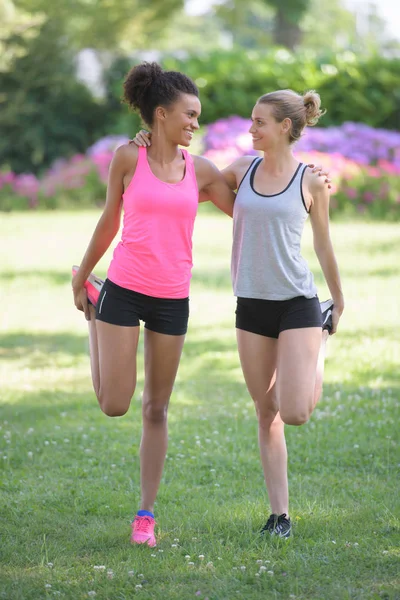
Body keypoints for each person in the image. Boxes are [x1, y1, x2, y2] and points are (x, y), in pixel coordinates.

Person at [133, 87, 343, 539]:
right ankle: (279, 515)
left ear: (285, 127)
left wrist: (338, 299)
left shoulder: (310, 181)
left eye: (259, 122)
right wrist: (150, 147)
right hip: (250, 304)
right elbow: (191, 184)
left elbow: (323, 244)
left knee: (295, 411)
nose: (250, 129)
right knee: (265, 411)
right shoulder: (243, 170)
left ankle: (319, 342)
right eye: (250, 121)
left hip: (298, 305)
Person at [72, 61, 237, 548]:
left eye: (199, 117)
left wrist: (304, 180)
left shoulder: (200, 170)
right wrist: (82, 277)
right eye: (189, 115)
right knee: (114, 404)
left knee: (156, 409)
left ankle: (145, 514)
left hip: (172, 299)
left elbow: (249, 200)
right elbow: (108, 222)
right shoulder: (128, 157)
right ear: (160, 114)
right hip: (122, 287)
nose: (196, 124)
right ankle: (94, 311)